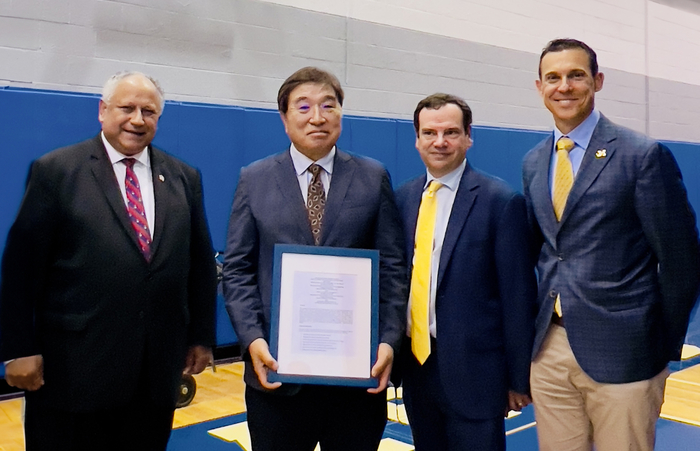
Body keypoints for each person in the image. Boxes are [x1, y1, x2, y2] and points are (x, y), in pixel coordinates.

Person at [0, 71, 217, 451]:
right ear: (102, 111)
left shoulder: (184, 177)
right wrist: (18, 348)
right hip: (73, 374)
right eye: (126, 108)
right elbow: (20, 269)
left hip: (154, 377)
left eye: (148, 111)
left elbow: (198, 263)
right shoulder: (56, 172)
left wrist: (200, 335)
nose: (137, 119)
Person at [523, 38, 700, 451]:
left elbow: (681, 259)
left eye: (576, 75)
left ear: (597, 81)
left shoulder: (641, 156)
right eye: (553, 78)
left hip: (627, 352)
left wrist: (659, 346)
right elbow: (546, 251)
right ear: (539, 87)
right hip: (549, 350)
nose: (563, 86)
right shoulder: (534, 161)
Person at [222, 66, 407, 451]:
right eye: (303, 107)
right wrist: (253, 339)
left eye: (329, 105)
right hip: (276, 377)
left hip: (357, 379)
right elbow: (237, 269)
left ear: (341, 112)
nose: (317, 117)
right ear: (284, 118)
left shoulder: (373, 177)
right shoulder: (254, 179)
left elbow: (392, 268)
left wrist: (389, 340)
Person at [393, 93, 536, 451]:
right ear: (417, 138)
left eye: (451, 132)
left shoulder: (500, 201)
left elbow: (518, 297)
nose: (439, 142)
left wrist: (519, 379)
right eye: (429, 133)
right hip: (416, 368)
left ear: (469, 136)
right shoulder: (403, 198)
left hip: (477, 376)